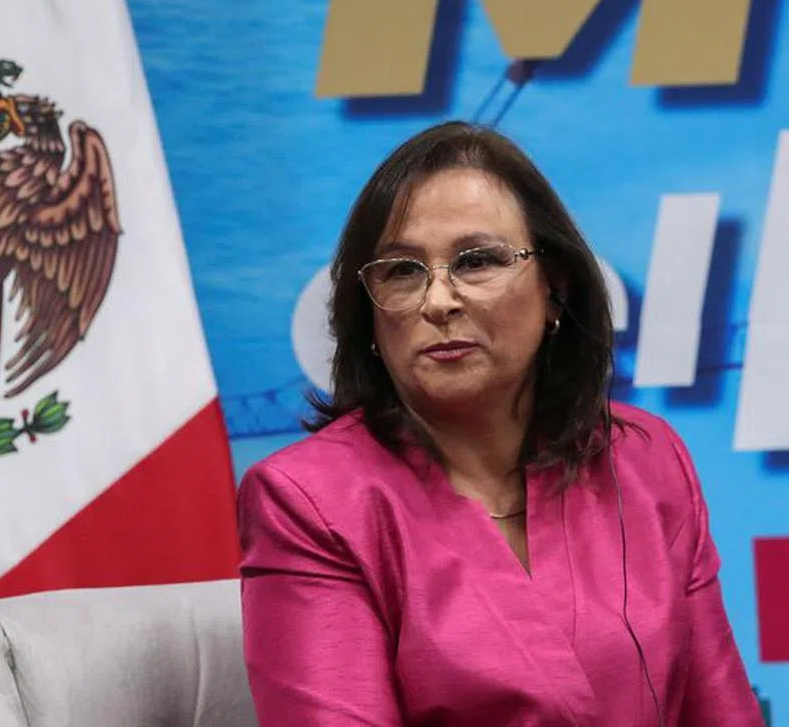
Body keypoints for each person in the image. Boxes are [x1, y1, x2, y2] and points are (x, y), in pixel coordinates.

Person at [236, 121, 763, 726]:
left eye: (478, 260)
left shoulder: (645, 461)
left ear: (556, 289)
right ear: (369, 315)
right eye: (402, 271)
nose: (437, 301)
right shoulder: (309, 501)